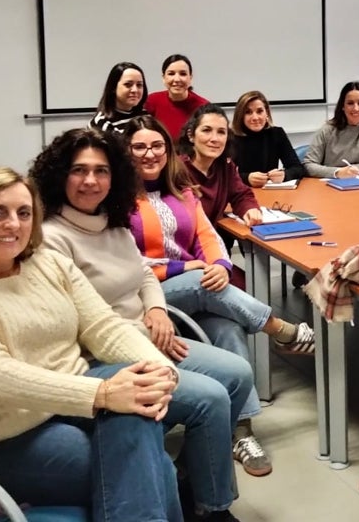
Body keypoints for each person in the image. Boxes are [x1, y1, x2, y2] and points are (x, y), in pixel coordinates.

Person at [0, 167, 185, 522]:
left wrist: (162, 369)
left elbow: (105, 326)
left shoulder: (48, 263)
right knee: (155, 468)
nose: (13, 224)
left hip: (65, 404)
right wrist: (102, 394)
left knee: (141, 403)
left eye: (24, 213)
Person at [31, 129, 268, 489]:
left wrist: (156, 310)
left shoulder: (111, 223)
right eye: (79, 170)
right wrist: (144, 342)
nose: (91, 181)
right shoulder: (51, 237)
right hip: (102, 355)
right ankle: (213, 504)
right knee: (212, 396)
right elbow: (84, 323)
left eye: (102, 170)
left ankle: (194, 472)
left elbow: (143, 273)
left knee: (237, 373)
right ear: (59, 175)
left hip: (146, 333)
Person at [125, 117, 314, 453]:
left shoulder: (180, 189)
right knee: (200, 281)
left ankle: (241, 430)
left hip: (191, 283)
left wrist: (221, 265)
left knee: (227, 326)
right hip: (146, 299)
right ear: (126, 152)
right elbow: (128, 262)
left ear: (167, 150)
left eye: (156, 146)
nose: (149, 154)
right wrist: (184, 267)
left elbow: (205, 235)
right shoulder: (119, 201)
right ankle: (281, 329)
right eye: (139, 146)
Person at [179, 104, 262, 227]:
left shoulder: (225, 166)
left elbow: (240, 195)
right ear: (191, 135)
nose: (215, 139)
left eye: (221, 132)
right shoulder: (176, 170)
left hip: (212, 239)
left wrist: (250, 209)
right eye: (206, 130)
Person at [303, 80, 359, 178]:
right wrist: (338, 172)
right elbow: (308, 165)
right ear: (343, 106)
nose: (356, 108)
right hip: (332, 186)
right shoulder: (327, 130)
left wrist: (355, 169)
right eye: (350, 103)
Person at [229, 90, 305, 187]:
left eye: (260, 111)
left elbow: (298, 168)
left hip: (271, 194)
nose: (255, 117)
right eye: (248, 112)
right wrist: (246, 178)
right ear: (240, 116)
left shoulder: (277, 134)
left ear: (267, 113)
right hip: (241, 194)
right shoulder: (231, 137)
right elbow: (221, 176)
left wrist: (285, 175)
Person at [144, 54, 210, 141]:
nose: (177, 79)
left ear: (190, 78)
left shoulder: (204, 107)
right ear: (163, 78)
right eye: (171, 74)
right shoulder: (151, 101)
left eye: (183, 74)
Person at [90, 61, 146, 135]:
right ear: (113, 87)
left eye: (139, 85)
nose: (135, 90)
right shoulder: (101, 122)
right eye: (128, 84)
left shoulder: (145, 116)